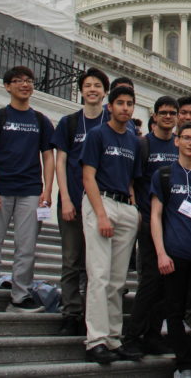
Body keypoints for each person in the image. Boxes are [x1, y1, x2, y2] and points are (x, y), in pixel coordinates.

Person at [0, 65, 55, 315]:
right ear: (7, 86)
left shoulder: (40, 120)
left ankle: (21, 295)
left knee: (26, 247)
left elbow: (48, 157)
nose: (24, 84)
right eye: (18, 81)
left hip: (30, 190)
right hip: (1, 189)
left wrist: (48, 190)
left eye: (28, 80)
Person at [81, 84, 142, 364]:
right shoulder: (97, 135)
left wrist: (132, 208)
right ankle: (96, 339)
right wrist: (101, 214)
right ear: (110, 106)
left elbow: (131, 178)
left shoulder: (132, 140)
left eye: (130, 104)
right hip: (101, 202)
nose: (125, 108)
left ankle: (114, 338)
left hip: (124, 207)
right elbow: (88, 176)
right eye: (120, 103)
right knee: (99, 276)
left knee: (117, 281)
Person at [151, 122, 191, 378]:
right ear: (176, 141)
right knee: (175, 312)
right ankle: (184, 363)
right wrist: (161, 253)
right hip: (175, 253)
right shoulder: (164, 175)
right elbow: (156, 216)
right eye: (186, 138)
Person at [51, 67, 109, 334]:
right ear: (81, 91)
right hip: (73, 200)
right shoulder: (69, 123)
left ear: (105, 92)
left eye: (98, 85)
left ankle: (92, 314)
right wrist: (64, 198)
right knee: (72, 261)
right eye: (88, 85)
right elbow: (60, 162)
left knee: (96, 265)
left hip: (102, 206)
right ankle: (71, 312)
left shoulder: (113, 123)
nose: (93, 89)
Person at [124, 95, 180, 355]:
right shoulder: (143, 144)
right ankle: (133, 335)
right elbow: (132, 180)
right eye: (163, 112)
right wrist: (135, 210)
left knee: (166, 286)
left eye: (172, 113)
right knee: (149, 282)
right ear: (154, 116)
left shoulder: (179, 149)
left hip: (174, 225)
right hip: (149, 221)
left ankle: (153, 334)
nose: (168, 116)